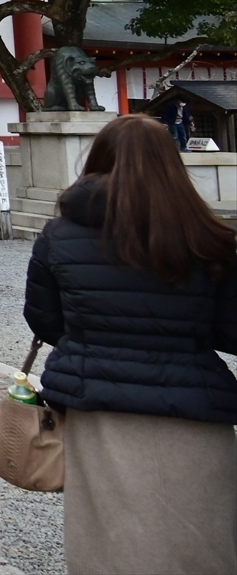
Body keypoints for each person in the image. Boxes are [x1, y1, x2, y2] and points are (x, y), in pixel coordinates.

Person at [23, 113, 237, 574]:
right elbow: (230, 330)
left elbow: (44, 320)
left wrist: (97, 342)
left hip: (98, 406)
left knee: (110, 541)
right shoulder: (210, 237)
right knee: (201, 542)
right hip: (194, 404)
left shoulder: (60, 235)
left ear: (99, 159)